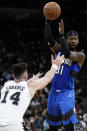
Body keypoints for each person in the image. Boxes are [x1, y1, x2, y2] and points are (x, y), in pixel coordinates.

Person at [0, 55, 64, 131]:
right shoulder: (30, 87)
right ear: (25, 76)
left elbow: (18, 82)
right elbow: (48, 77)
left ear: (13, 75)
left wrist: (30, 80)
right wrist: (55, 65)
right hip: (13, 125)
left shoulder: (7, 84)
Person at [44, 19, 86, 131]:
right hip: (53, 92)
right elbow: (49, 38)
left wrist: (61, 34)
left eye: (75, 39)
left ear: (78, 41)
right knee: (52, 126)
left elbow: (67, 54)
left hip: (67, 93)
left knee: (68, 124)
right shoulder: (58, 50)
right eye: (70, 39)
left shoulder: (80, 56)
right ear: (66, 41)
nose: (73, 41)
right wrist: (47, 22)